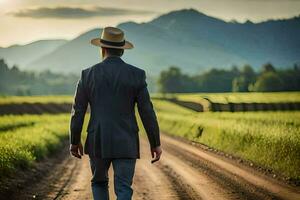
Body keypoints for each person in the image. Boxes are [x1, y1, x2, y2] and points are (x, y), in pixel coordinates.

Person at [69, 26, 162, 200]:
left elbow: (78, 111)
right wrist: (155, 142)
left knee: (98, 183)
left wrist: (74, 141)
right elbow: (147, 111)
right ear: (122, 50)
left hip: (98, 139)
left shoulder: (87, 75)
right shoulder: (137, 75)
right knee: (124, 187)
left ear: (102, 49)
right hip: (126, 140)